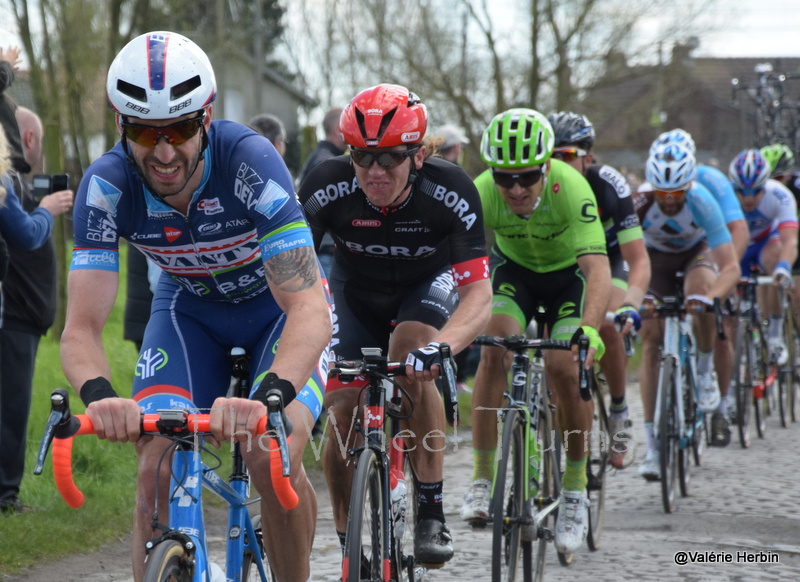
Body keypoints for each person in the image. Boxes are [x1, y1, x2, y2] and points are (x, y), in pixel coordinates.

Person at [60, 31, 332, 582]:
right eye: (143, 131)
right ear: (121, 127)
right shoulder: (105, 188)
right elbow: (81, 329)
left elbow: (308, 309)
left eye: (181, 129)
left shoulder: (250, 161)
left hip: (277, 315)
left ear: (205, 118)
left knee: (268, 452)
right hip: (189, 312)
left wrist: (272, 394)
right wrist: (102, 397)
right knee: (155, 464)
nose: (164, 153)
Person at [297, 83, 492, 568]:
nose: (375, 171)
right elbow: (294, 275)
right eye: (362, 157)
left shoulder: (451, 191)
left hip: (426, 282)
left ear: (419, 155)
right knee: (342, 403)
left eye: (390, 158)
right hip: (353, 288)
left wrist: (444, 347)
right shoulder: (325, 184)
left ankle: (431, 510)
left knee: (412, 359)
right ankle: (349, 546)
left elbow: (478, 295)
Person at [460, 108, 610, 555]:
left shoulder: (571, 187)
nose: (517, 189)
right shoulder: (482, 192)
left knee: (564, 366)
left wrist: (591, 329)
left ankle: (575, 489)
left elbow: (597, 269)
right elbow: (449, 260)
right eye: (505, 179)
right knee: (494, 347)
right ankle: (483, 477)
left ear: (546, 167)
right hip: (515, 277)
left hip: (569, 279)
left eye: (527, 176)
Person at [548, 111, 651, 469]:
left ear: (588, 157)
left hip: (607, 259)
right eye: (551, 156)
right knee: (553, 350)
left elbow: (637, 258)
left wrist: (631, 304)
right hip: (565, 265)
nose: (557, 164)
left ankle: (620, 411)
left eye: (566, 156)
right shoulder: (539, 185)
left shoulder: (609, 183)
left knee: (604, 322)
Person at [634, 141, 739, 480]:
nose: (669, 199)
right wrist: (633, 299)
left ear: (688, 185)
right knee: (650, 338)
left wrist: (711, 301)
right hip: (654, 261)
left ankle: (706, 371)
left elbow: (731, 267)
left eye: (677, 192)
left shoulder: (702, 201)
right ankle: (652, 448)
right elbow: (621, 258)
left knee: (702, 293)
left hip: (697, 254)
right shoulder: (640, 201)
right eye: (663, 192)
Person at [650, 128, 749, 446]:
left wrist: (716, 283)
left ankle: (722, 403)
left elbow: (738, 230)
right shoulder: (649, 196)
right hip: (665, 256)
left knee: (719, 325)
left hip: (708, 251)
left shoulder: (711, 183)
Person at [0, 107, 73, 514]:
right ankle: (6, 495)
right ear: (26, 139)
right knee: (10, 408)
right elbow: (27, 235)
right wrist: (48, 209)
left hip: (19, 315)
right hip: (14, 316)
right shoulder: (6, 183)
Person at [728, 148, 798, 366]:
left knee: (776, 262)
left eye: (755, 192)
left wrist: (784, 268)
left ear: (764, 186)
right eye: (742, 192)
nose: (748, 198)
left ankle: (775, 336)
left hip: (764, 243)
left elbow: (790, 241)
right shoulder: (723, 196)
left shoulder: (779, 194)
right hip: (734, 245)